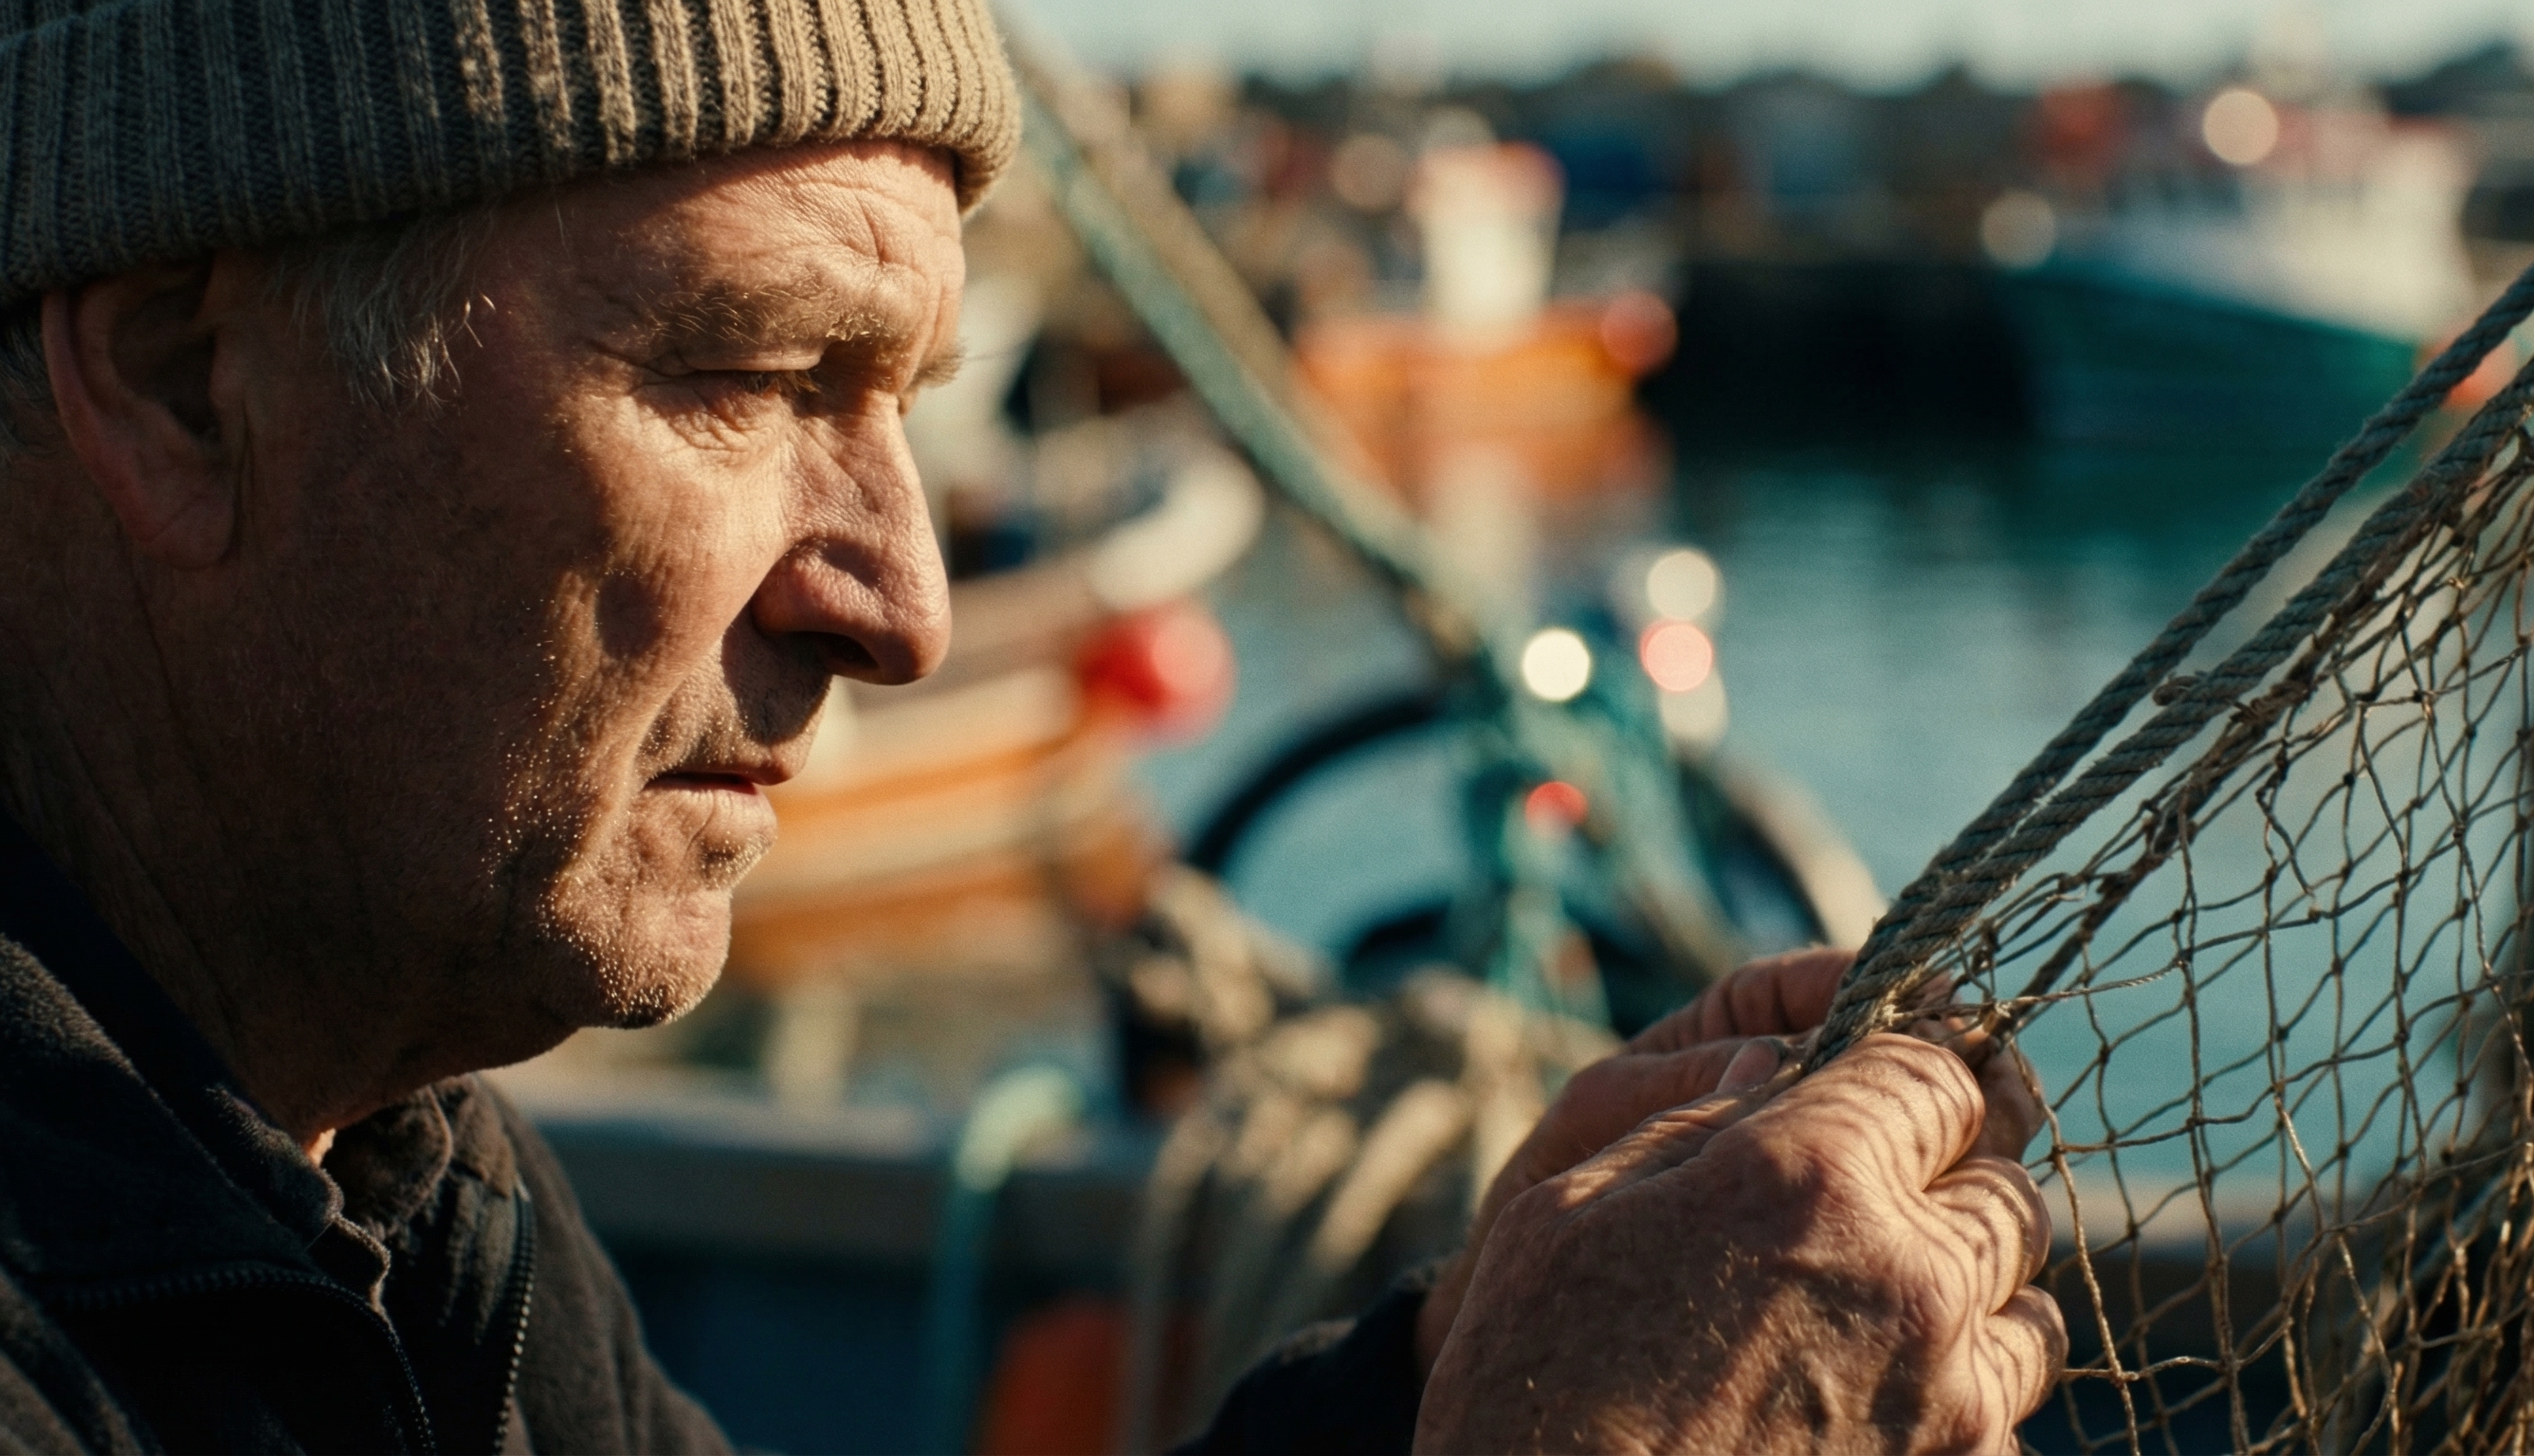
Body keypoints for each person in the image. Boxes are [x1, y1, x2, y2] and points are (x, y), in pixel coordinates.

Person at [0, 0, 2064, 1449]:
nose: (904, 606)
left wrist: (1462, 1373)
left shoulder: (391, 1183)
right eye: (750, 371)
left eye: (901, 399)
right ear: (186, 384)